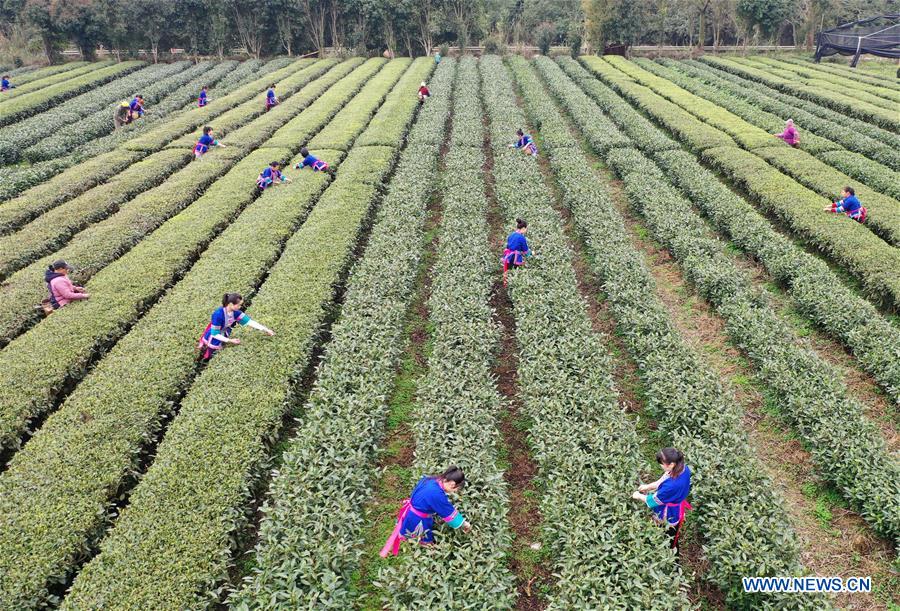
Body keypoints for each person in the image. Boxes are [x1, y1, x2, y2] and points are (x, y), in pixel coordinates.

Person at [380, 466, 472, 557]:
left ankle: (393, 548)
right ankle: (425, 553)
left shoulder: (431, 480)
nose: (454, 492)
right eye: (455, 489)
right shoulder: (436, 494)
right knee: (424, 539)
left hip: (410, 512)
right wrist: (465, 525)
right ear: (452, 483)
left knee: (404, 528)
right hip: (417, 519)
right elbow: (448, 513)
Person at [632, 448, 693, 549]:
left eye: (662, 463)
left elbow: (653, 500)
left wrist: (638, 496)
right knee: (672, 535)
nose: (660, 465)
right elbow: (663, 480)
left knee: (668, 536)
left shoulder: (670, 486)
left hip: (669, 512)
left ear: (671, 464)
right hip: (677, 504)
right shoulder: (683, 468)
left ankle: (670, 556)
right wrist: (647, 486)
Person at [196, 292, 274, 360]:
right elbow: (215, 334)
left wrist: (266, 329)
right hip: (214, 336)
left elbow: (250, 322)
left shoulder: (236, 312)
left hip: (224, 332)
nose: (240, 307)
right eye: (239, 305)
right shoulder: (218, 314)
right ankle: (202, 359)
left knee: (219, 349)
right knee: (209, 352)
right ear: (230, 304)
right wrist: (230, 340)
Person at [501, 218, 531, 286]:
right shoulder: (521, 238)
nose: (526, 230)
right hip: (515, 258)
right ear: (523, 228)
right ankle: (512, 286)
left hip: (508, 256)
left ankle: (506, 285)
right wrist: (531, 253)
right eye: (526, 229)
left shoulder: (511, 235)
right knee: (514, 273)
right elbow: (525, 251)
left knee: (507, 272)